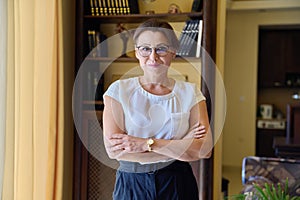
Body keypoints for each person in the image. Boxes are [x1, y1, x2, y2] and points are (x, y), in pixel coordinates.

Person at [103, 18, 212, 200]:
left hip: (177, 182)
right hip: (131, 183)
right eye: (145, 49)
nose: (153, 57)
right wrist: (181, 144)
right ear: (137, 52)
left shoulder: (190, 93)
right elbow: (115, 151)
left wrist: (146, 144)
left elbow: (204, 150)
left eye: (161, 48)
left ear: (173, 52)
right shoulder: (118, 91)